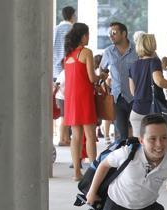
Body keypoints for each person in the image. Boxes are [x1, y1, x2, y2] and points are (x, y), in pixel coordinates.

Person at [63, 23, 105, 181]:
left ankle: (76, 173)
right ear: (82, 36)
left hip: (71, 98)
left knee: (76, 136)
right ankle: (93, 172)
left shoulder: (68, 55)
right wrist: (101, 77)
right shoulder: (86, 52)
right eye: (87, 34)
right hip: (84, 97)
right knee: (90, 135)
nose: (88, 37)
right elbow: (91, 78)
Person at [128, 34, 167, 137]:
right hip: (152, 110)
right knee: (160, 144)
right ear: (152, 45)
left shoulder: (133, 65)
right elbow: (159, 81)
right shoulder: (154, 62)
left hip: (136, 110)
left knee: (139, 146)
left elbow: (133, 91)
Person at [100, 22, 139, 141]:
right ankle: (123, 158)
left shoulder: (137, 50)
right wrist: (103, 77)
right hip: (117, 98)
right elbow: (102, 69)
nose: (111, 36)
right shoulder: (108, 52)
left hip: (136, 97)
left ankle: (136, 158)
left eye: (114, 33)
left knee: (138, 134)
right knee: (121, 135)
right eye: (109, 34)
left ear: (124, 34)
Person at [53, 6, 76, 80]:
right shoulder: (74, 30)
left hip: (55, 70)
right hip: (69, 69)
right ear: (72, 16)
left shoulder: (55, 29)